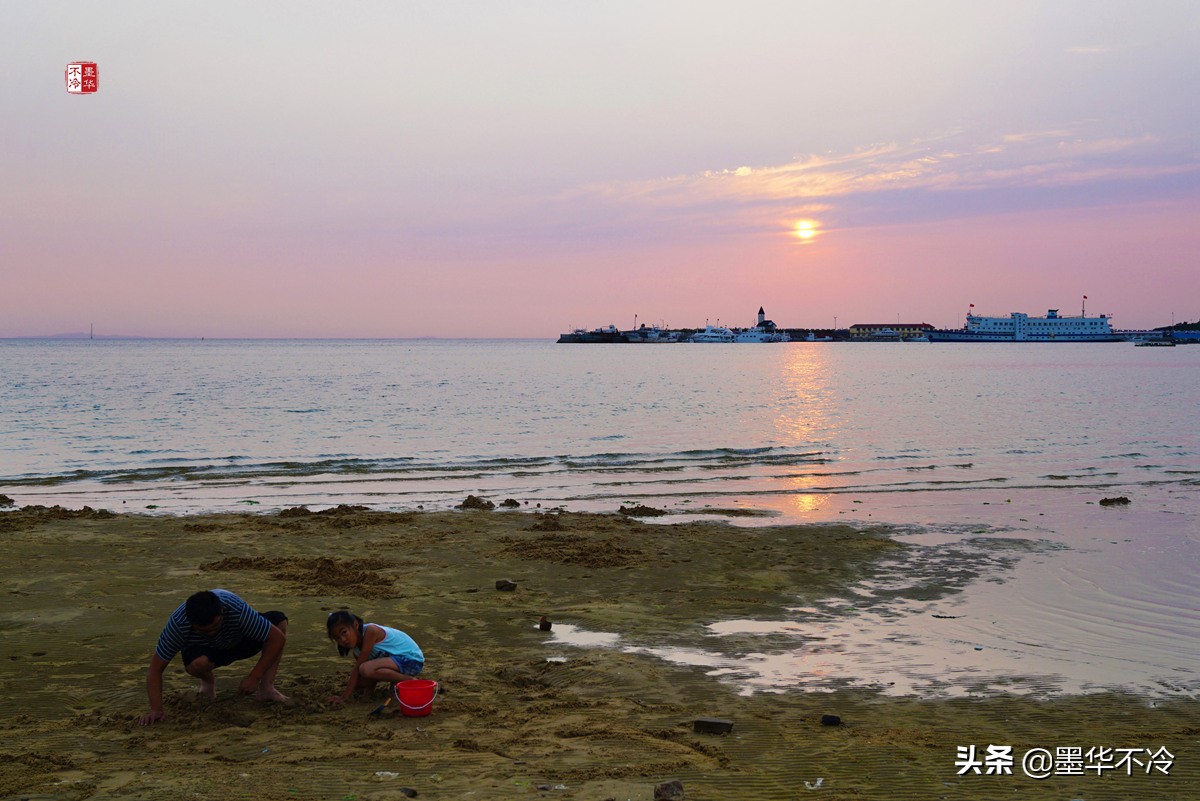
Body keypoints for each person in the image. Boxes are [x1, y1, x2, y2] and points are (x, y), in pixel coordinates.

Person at [140, 589, 288, 725]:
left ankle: (267, 688)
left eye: (215, 626)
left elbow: (277, 639)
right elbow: (155, 670)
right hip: (207, 651)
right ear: (191, 623)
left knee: (279, 622)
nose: (211, 633)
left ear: (222, 612)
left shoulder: (236, 609)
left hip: (240, 640)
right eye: (204, 631)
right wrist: (156, 710)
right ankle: (208, 682)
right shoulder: (178, 624)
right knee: (198, 663)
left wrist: (255, 676)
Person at [325, 610, 424, 704]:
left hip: (412, 660)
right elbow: (369, 675)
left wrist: (344, 697)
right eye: (337, 638)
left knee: (364, 669)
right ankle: (397, 683)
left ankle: (410, 681)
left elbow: (359, 669)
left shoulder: (370, 631)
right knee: (361, 682)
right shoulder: (356, 651)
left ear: (355, 625)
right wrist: (368, 691)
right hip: (398, 665)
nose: (343, 639)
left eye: (344, 632)